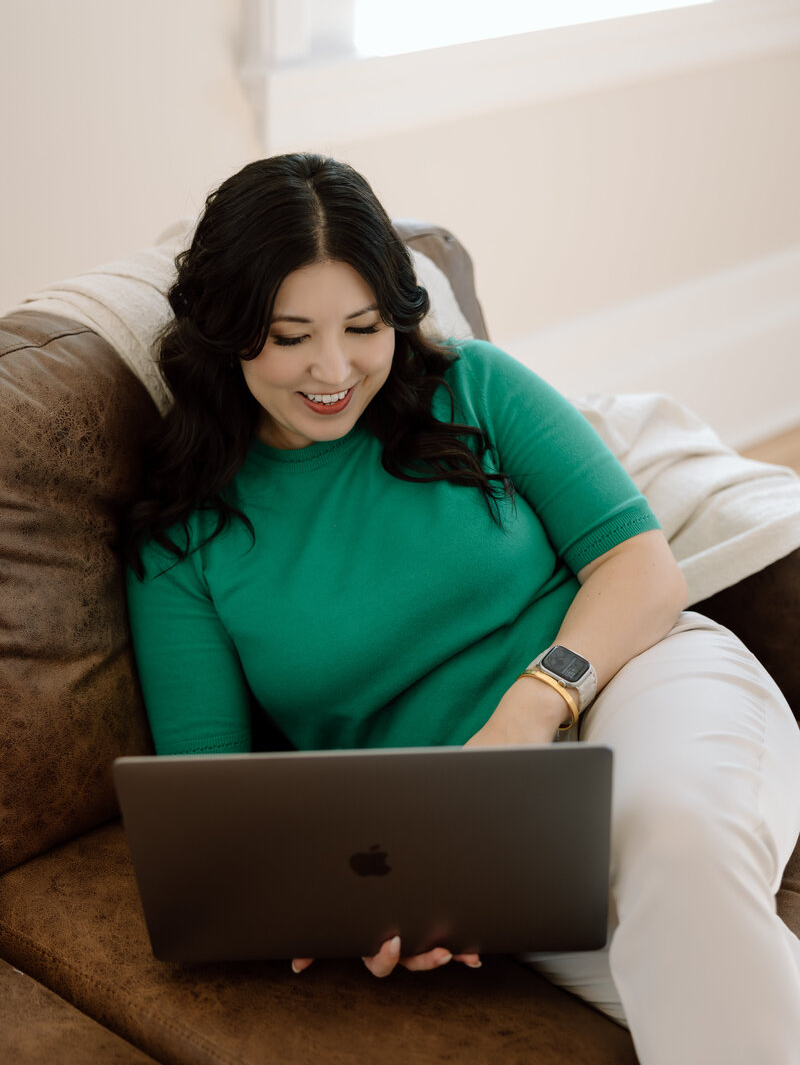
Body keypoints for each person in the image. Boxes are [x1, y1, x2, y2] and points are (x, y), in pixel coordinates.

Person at [126, 153, 800, 1064]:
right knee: (709, 978)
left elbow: (641, 569)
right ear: (226, 331)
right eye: (289, 337)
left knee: (677, 844)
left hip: (639, 683)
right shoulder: (184, 542)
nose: (333, 368)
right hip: (481, 838)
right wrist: (365, 901)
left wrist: (529, 709)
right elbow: (213, 816)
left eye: (363, 327)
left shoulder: (473, 384)